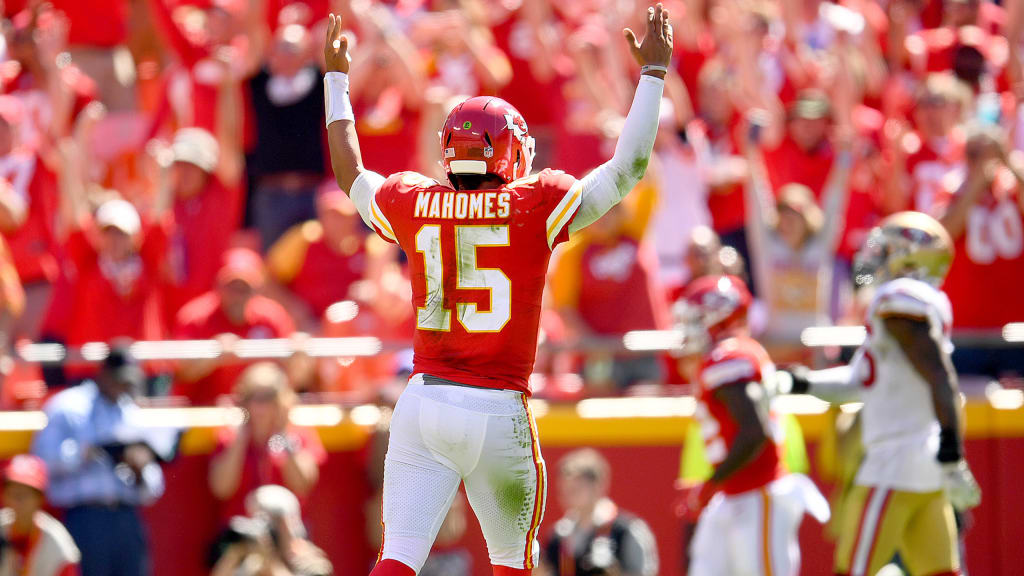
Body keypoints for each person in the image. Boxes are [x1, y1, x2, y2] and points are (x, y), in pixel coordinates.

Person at [321, 3, 672, 574]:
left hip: (424, 399)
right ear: (508, 150)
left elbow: (350, 173)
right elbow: (628, 169)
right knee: (512, 562)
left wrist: (336, 80)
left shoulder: (415, 201)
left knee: (398, 558)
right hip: (496, 406)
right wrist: (652, 76)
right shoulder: (535, 202)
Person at [780, 212, 982, 576]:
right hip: (925, 468)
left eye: (886, 248)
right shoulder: (909, 306)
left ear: (909, 257)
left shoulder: (900, 299)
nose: (875, 256)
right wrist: (802, 383)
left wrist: (954, 452)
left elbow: (940, 375)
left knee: (852, 570)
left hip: (892, 466)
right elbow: (860, 381)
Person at [675, 275, 829, 576]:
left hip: (759, 491)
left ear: (718, 318)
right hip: (735, 492)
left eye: (695, 320)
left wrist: (712, 482)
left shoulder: (729, 357)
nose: (688, 329)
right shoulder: (728, 356)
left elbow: (753, 431)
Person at [30, 347, 166, 576]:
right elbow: (41, 462)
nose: (122, 388)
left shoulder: (132, 412)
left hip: (127, 517)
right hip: (84, 517)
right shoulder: (67, 406)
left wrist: (140, 468)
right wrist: (83, 453)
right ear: (102, 374)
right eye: (118, 380)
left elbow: (154, 486)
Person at [172, 248, 297, 405]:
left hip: (258, 417)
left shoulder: (272, 317)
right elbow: (180, 372)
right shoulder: (196, 317)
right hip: (202, 413)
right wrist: (213, 355)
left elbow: (295, 374)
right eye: (231, 288)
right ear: (218, 286)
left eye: (244, 289)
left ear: (257, 290)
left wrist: (298, 352)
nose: (237, 296)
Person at [208, 362, 326, 524]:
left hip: (288, 532)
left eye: (269, 398)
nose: (261, 407)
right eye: (254, 398)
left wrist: (283, 435)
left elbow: (303, 484)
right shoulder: (230, 435)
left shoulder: (298, 433)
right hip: (241, 532)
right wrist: (241, 438)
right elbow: (221, 489)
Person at [538, 448, 658, 576]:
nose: (567, 495)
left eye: (576, 489)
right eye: (564, 490)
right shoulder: (559, 535)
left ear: (597, 487)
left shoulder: (626, 530)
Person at [0, 455, 80, 576]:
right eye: (12, 493)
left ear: (40, 498)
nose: (16, 502)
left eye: (23, 495)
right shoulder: (2, 527)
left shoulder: (58, 542)